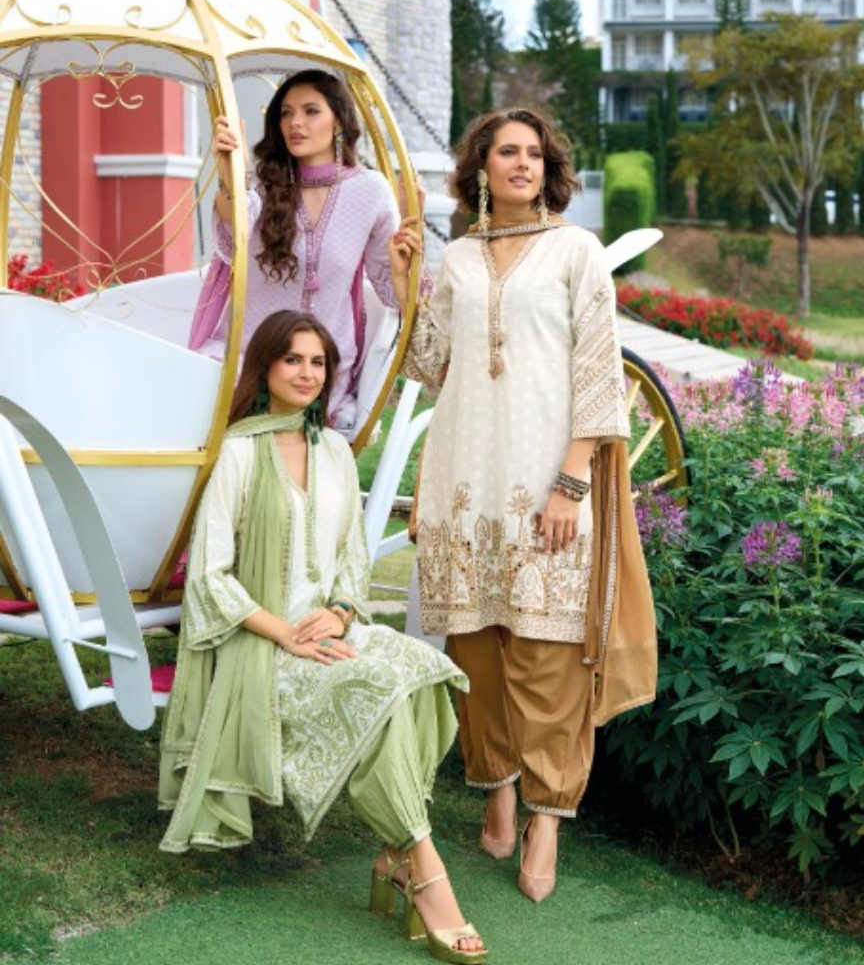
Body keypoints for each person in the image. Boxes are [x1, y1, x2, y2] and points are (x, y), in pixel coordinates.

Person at [160, 309, 486, 964]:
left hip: (331, 628)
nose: (307, 373)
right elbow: (209, 576)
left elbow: (352, 557)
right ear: (265, 368)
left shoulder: (334, 450)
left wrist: (339, 611)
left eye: (318, 362)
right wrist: (285, 633)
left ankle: (396, 852)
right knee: (376, 688)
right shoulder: (239, 452)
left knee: (420, 673)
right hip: (262, 641)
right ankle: (423, 869)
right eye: (293, 360)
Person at [389, 108, 657, 903]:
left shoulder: (576, 252)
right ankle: (496, 786)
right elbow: (430, 365)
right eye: (506, 152)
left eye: (533, 153)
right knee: (474, 647)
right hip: (464, 477)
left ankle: (547, 815)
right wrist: (405, 284)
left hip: (546, 478)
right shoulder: (459, 257)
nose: (521, 164)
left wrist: (571, 482)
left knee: (546, 653)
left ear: (548, 168)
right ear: (480, 168)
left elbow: (599, 372)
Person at [189, 69, 402, 440]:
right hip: (248, 364)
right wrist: (229, 174)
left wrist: (409, 263)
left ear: (339, 121)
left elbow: (391, 287)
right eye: (286, 113)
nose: (295, 123)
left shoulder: (371, 192)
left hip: (321, 371)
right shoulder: (261, 186)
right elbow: (234, 234)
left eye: (310, 111)